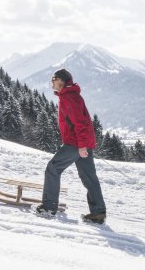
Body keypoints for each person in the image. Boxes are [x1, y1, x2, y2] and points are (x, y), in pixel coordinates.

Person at [36, 69, 107, 224]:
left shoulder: (69, 97)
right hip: (82, 142)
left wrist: (81, 146)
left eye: (54, 79)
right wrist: (84, 145)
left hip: (76, 143)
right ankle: (98, 213)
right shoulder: (71, 96)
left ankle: (48, 207)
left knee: (53, 168)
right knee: (89, 177)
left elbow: (80, 123)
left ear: (61, 81)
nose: (52, 82)